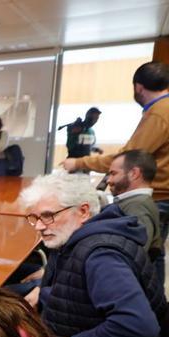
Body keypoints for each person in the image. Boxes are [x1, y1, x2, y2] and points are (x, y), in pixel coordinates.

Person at [20, 171, 166, 337]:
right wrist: (44, 292)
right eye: (34, 217)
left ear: (84, 211)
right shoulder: (78, 238)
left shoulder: (101, 256)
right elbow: (79, 289)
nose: (39, 226)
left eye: (48, 216)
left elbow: (138, 326)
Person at [62, 62, 169, 250]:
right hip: (161, 195)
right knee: (153, 249)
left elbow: (128, 158)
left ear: (138, 87)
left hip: (158, 195)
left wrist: (79, 162)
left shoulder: (160, 113)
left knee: (140, 253)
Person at [108, 149, 163, 277]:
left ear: (134, 173)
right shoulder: (136, 203)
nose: (108, 180)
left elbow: (133, 253)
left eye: (113, 173)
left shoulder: (137, 206)